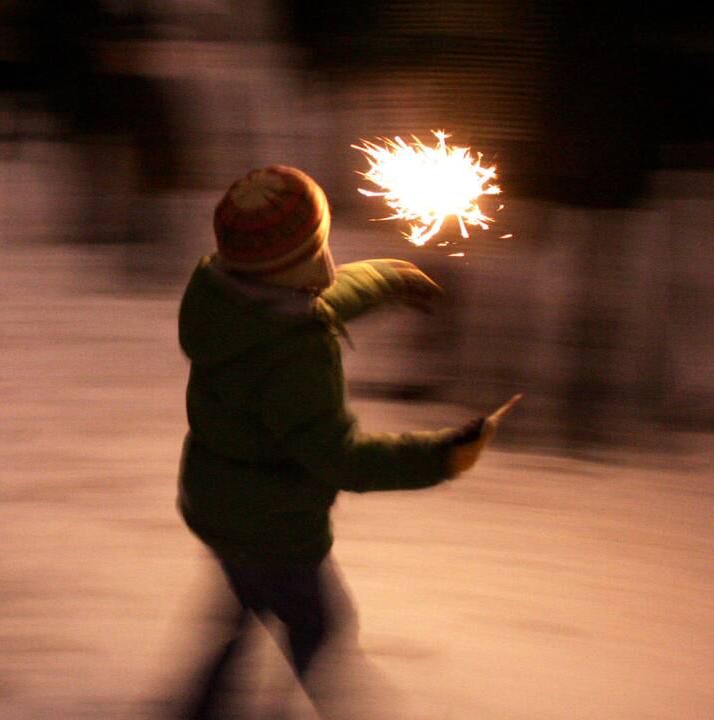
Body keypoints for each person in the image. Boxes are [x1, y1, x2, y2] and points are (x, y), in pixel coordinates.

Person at [176, 165, 516, 717]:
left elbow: (316, 303)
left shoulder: (229, 301)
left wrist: (384, 277)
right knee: (319, 627)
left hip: (219, 503)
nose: (326, 262)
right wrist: (440, 457)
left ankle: (199, 710)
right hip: (274, 525)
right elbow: (341, 460)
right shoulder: (292, 357)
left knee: (243, 614)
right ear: (298, 263)